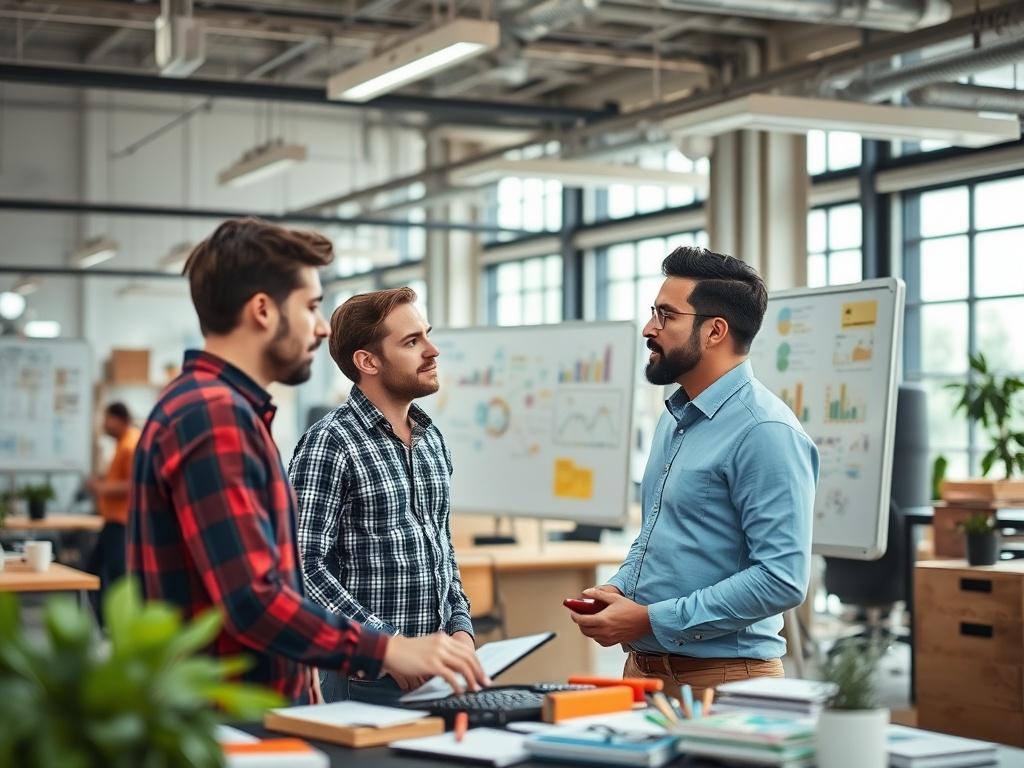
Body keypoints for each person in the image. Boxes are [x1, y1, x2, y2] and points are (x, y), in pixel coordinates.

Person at [126, 218, 488, 705]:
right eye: (312, 306)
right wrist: (386, 649)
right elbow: (255, 599)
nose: (321, 327)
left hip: (254, 704)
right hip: (228, 713)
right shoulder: (214, 417)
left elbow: (275, 582)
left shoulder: (224, 412)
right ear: (262, 311)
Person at [569, 246, 819, 701]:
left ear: (714, 331)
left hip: (724, 681)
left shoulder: (765, 431)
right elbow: (658, 535)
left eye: (666, 316)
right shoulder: (677, 415)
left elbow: (781, 577)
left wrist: (649, 619)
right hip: (642, 673)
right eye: (653, 313)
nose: (649, 329)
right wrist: (619, 587)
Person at [290, 287, 475, 702]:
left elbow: (440, 550)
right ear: (368, 361)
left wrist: (461, 627)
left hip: (439, 669)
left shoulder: (430, 439)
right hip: (367, 677)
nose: (433, 350)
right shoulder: (329, 443)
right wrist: (389, 648)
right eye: (412, 342)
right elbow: (302, 569)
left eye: (426, 334)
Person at [86, 401, 140, 622]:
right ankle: (105, 621)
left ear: (119, 419)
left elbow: (132, 484)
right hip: (114, 520)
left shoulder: (130, 444)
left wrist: (102, 487)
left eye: (107, 419)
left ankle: (113, 623)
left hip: (122, 520)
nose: (105, 424)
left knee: (114, 576)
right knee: (98, 570)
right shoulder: (122, 443)